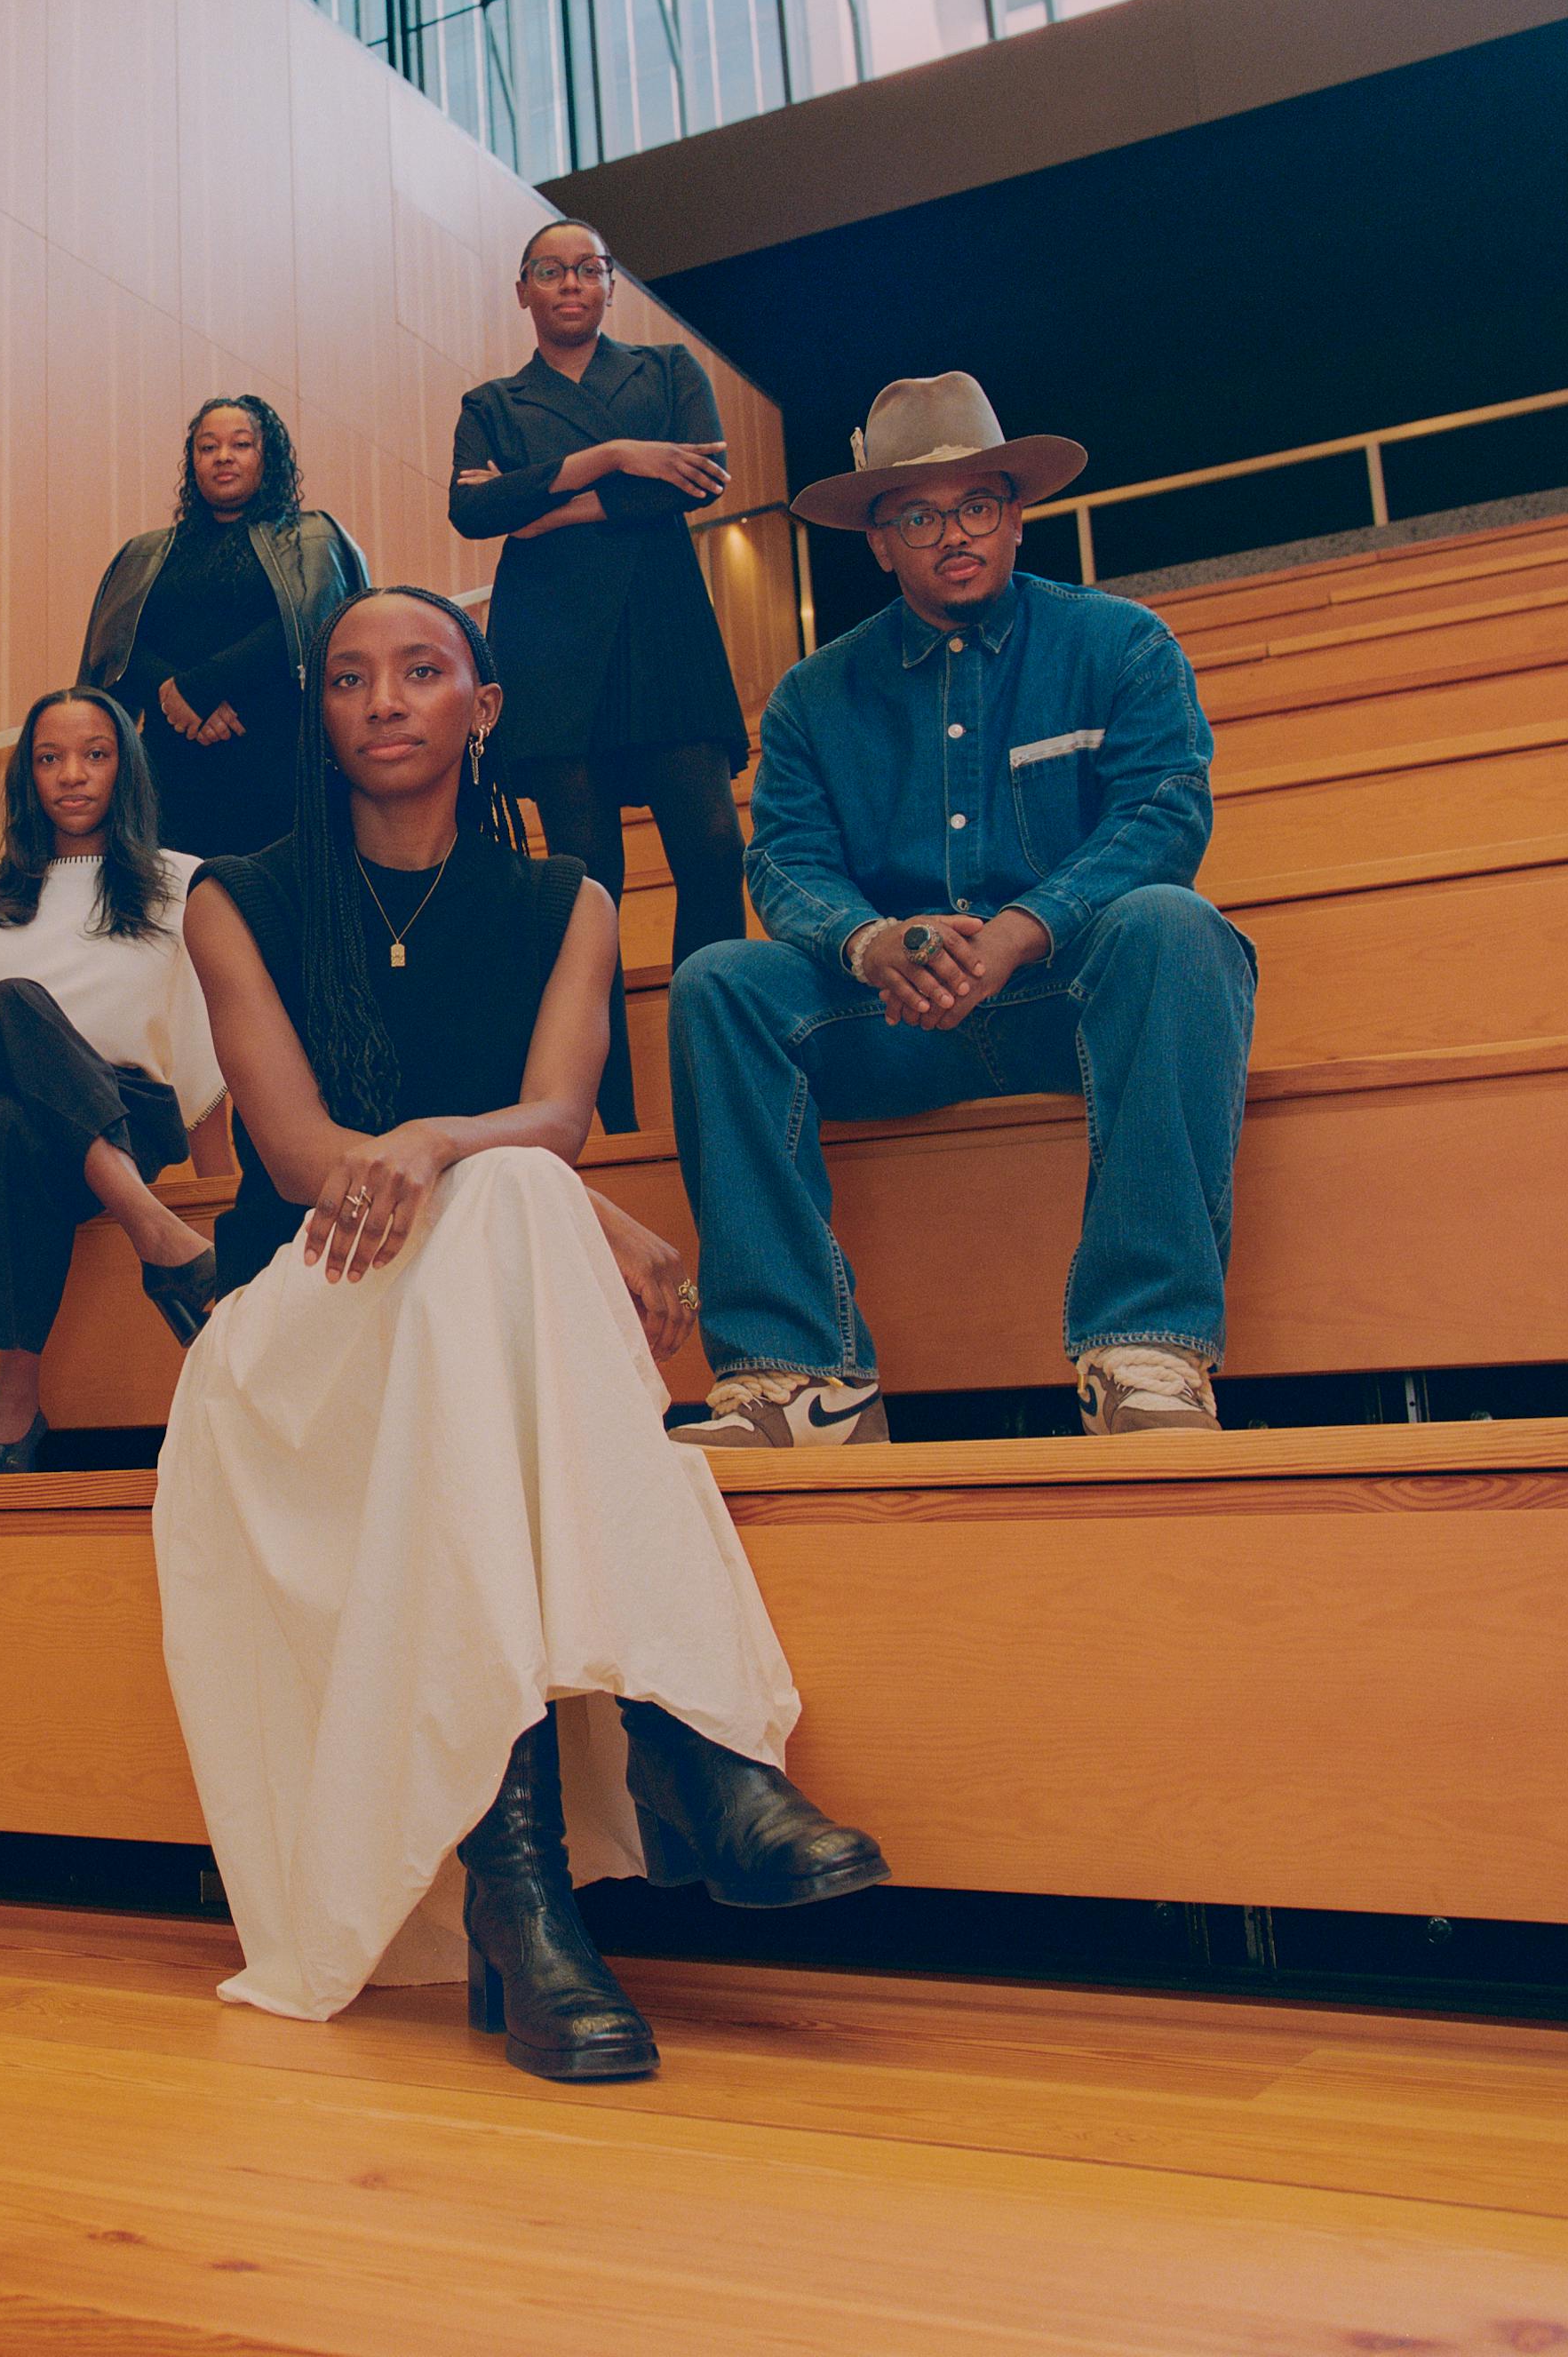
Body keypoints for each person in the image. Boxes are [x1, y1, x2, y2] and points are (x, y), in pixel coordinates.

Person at [155, 585, 885, 2084]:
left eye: (421, 671)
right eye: (351, 678)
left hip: (471, 1304)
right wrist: (548, 1199)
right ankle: (699, 1748)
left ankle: (526, 1893)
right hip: (300, 1326)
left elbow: (554, 1119)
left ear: (483, 705)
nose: (384, 700)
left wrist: (444, 1143)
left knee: (511, 1209)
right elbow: (299, 1158)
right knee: (524, 1210)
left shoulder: (569, 900)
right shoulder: (237, 894)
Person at [665, 373, 1256, 1448]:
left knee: (1174, 922)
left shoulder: (1120, 645)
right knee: (716, 980)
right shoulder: (810, 695)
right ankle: (801, 1382)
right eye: (919, 515)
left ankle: (1145, 1354)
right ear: (878, 540)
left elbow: (1164, 811)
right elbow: (785, 862)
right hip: (890, 1015)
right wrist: (872, 943)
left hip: (1066, 1000)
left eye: (976, 505)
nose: (953, 534)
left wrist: (1026, 928)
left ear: (1015, 513)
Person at [449, 219, 753, 1134]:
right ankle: (606, 1116)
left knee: (710, 853)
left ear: (609, 284)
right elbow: (473, 508)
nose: (570, 283)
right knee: (589, 889)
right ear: (522, 291)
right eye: (551, 271)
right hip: (549, 648)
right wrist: (615, 458)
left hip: (663, 635)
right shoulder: (492, 399)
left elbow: (701, 475)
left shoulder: (666, 371)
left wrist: (551, 505)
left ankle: (716, 1088)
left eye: (587, 269)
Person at [0, 689, 226, 1474]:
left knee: (13, 1125)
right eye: (49, 758)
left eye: (95, 755)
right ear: (26, 776)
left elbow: (211, 1042)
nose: (72, 775)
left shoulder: (181, 885)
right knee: (13, 1014)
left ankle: (13, 1402)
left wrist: (222, 1187)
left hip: (125, 1112)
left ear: (125, 769)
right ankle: (153, 1232)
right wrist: (18, 1033)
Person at [79, 395, 370, 861]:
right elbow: (115, 651)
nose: (223, 457)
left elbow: (310, 627)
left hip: (278, 760)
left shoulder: (314, 538)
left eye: (241, 444)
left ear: (266, 456)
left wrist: (201, 685)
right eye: (207, 447)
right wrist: (172, 694)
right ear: (192, 462)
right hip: (174, 765)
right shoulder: (146, 552)